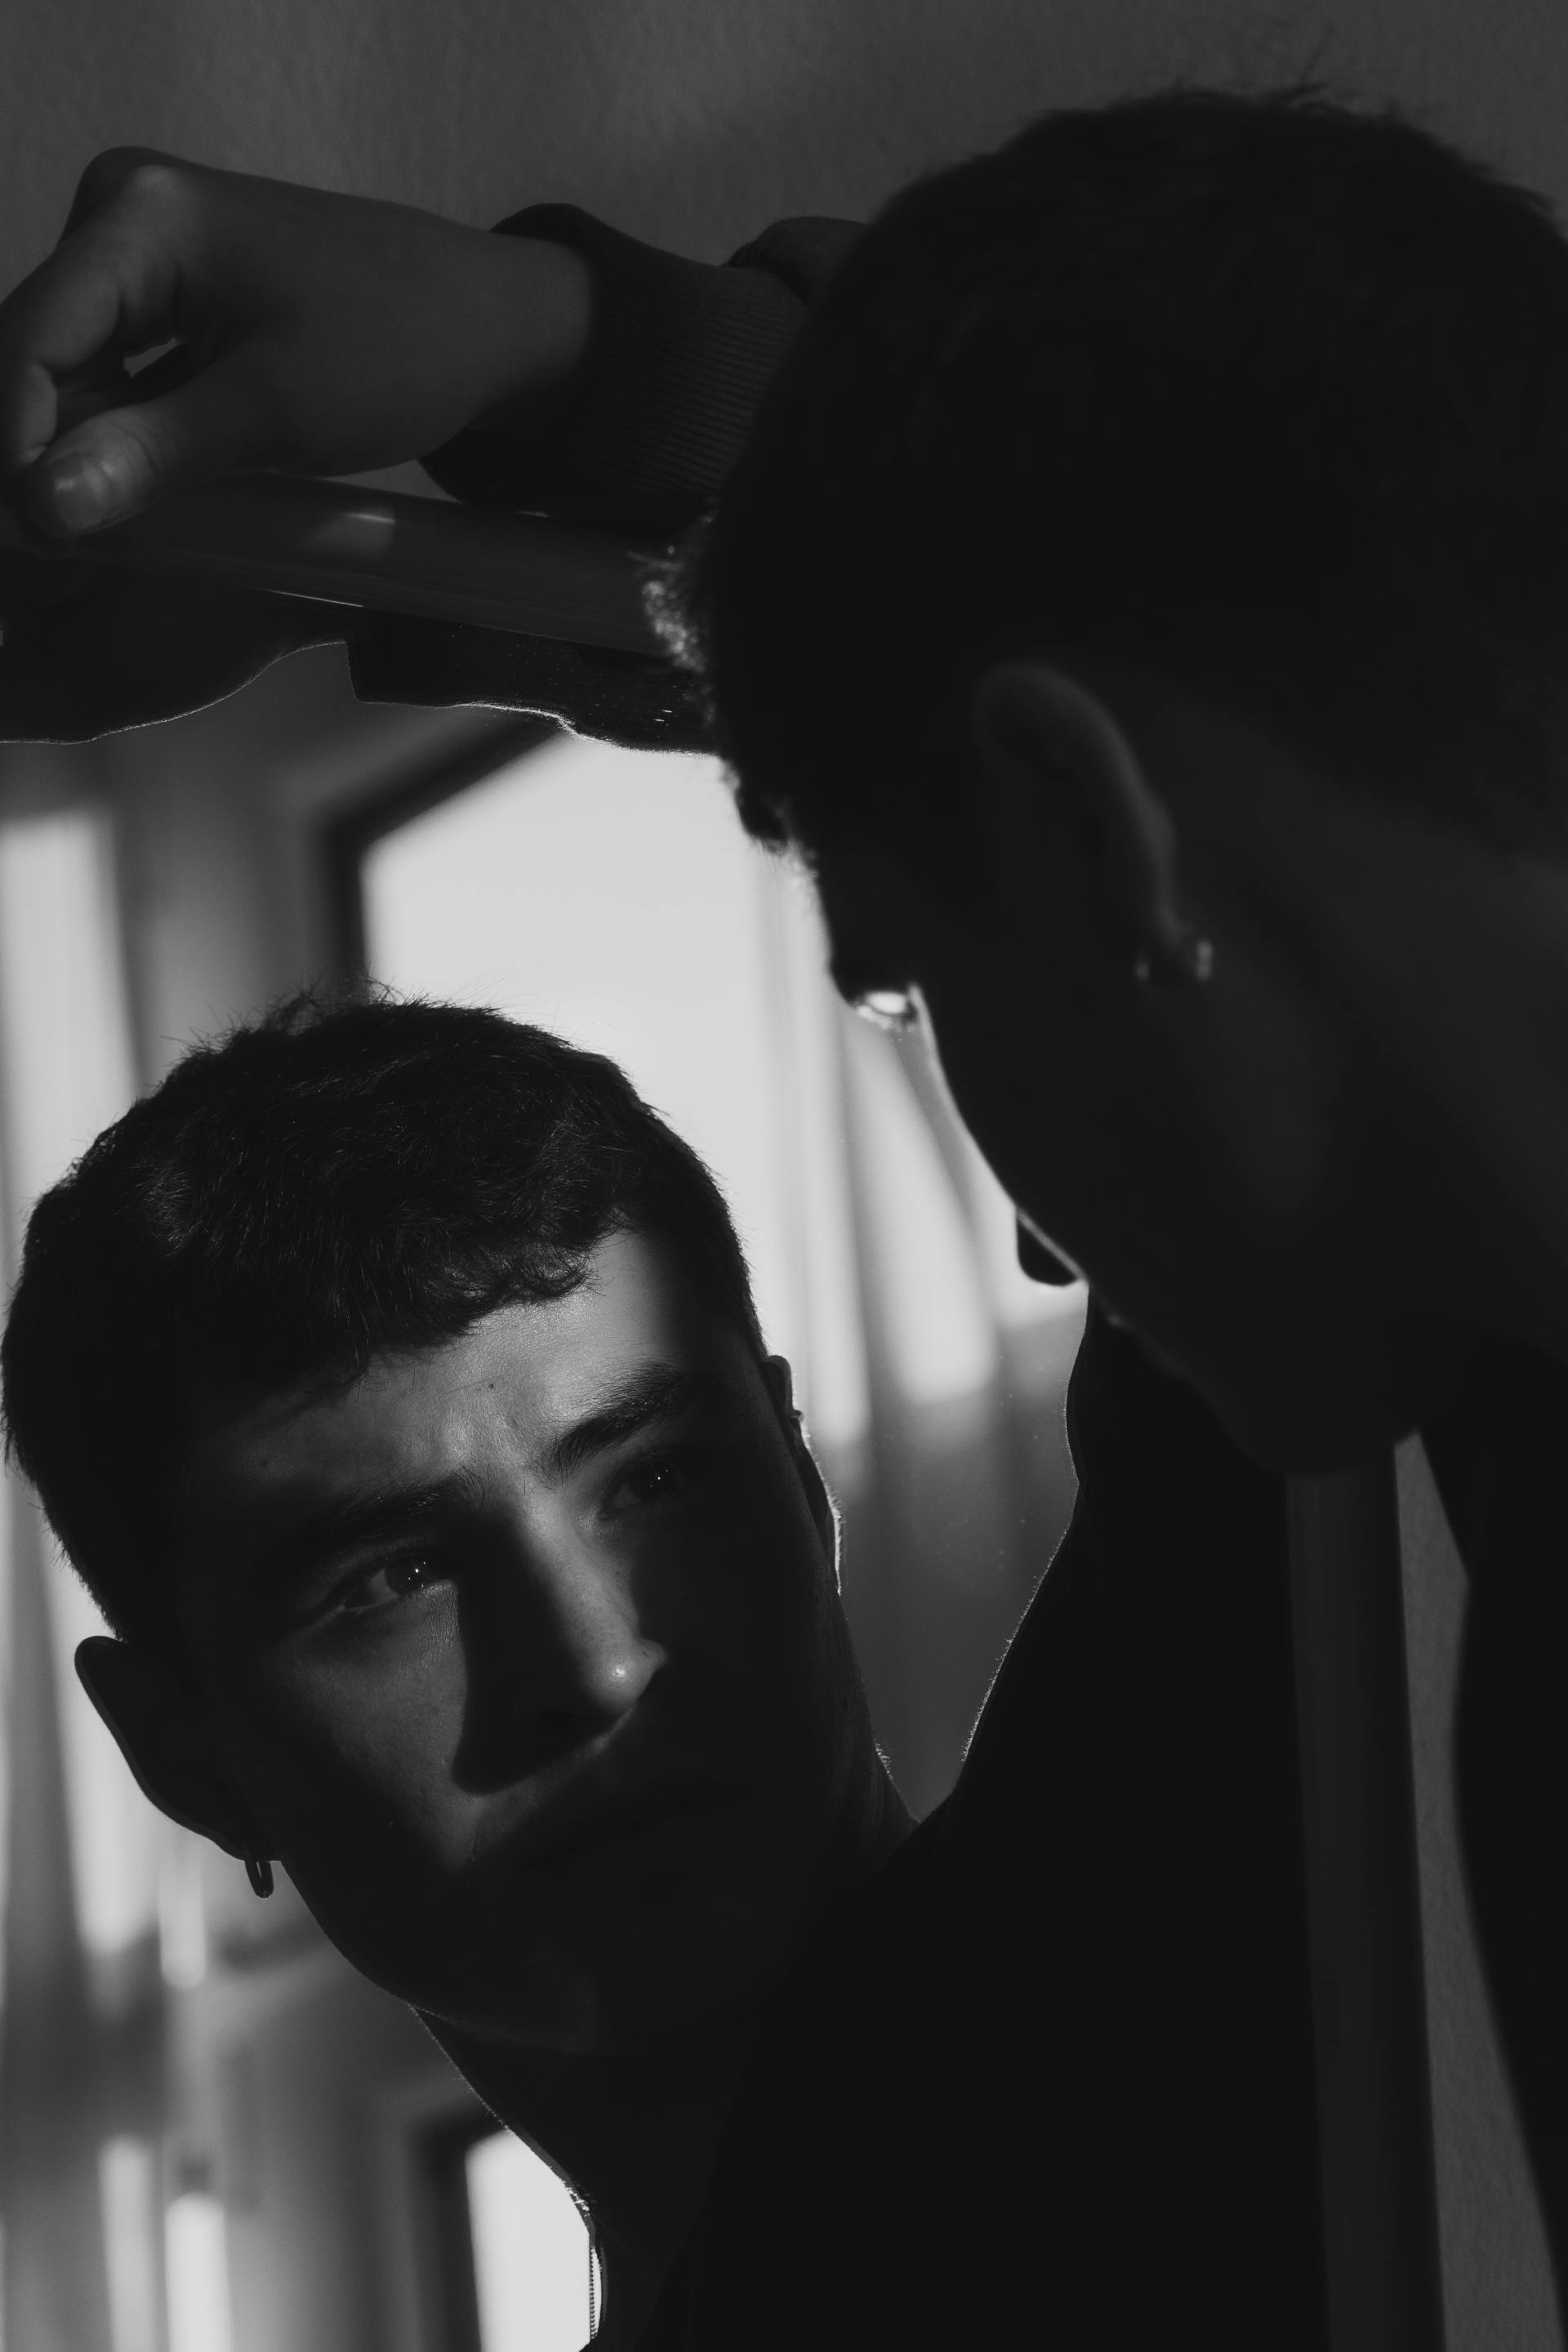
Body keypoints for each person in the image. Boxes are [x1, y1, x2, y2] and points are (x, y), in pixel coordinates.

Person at [0, 991, 1321, 2348]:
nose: (593, 1665)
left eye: (659, 1478)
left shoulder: (1167, 1901)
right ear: (187, 1755)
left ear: (805, 1483)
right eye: (391, 1581)